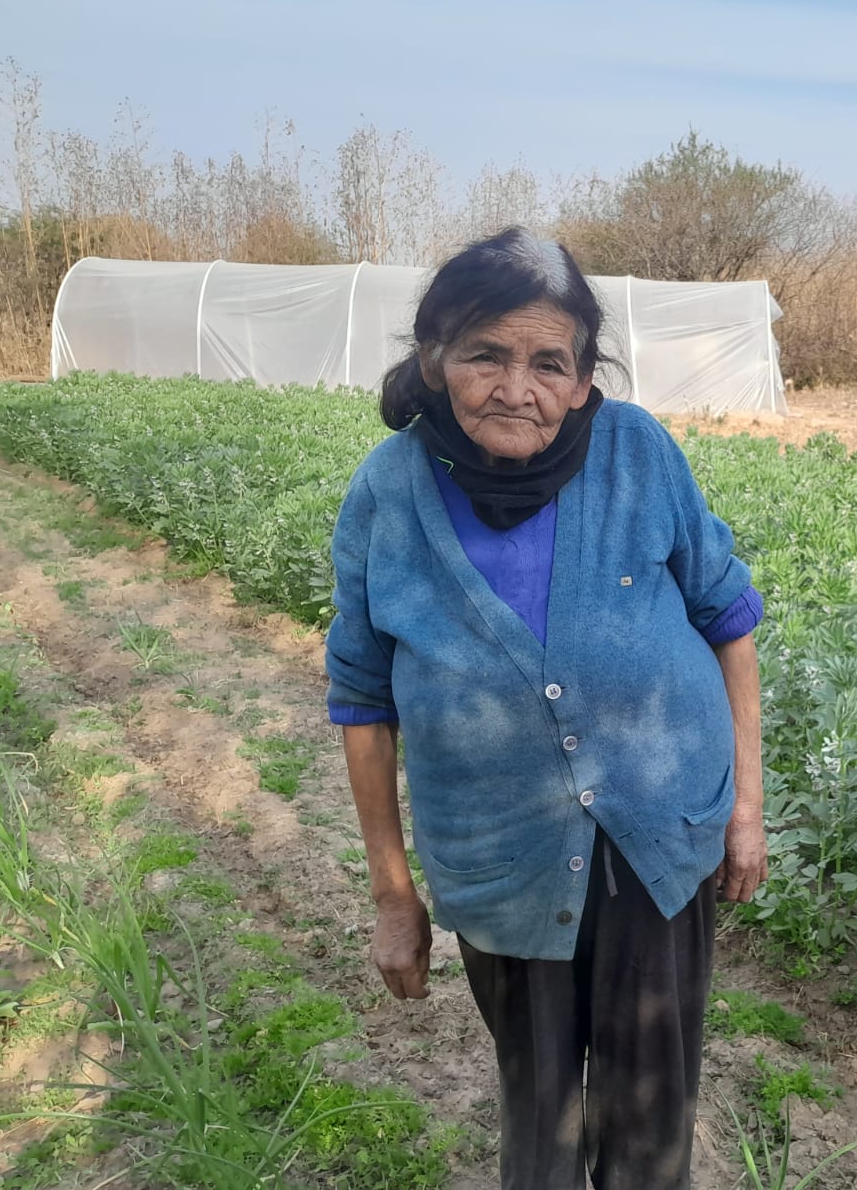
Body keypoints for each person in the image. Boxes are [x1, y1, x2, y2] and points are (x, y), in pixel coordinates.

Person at [324, 229, 768, 1190]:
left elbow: (728, 619)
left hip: (660, 842)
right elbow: (362, 701)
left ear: (579, 381)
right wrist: (395, 897)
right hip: (498, 858)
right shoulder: (387, 494)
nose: (515, 387)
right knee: (541, 1125)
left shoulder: (638, 453)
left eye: (546, 362)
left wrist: (746, 810)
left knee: (652, 1125)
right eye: (486, 354)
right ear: (436, 358)